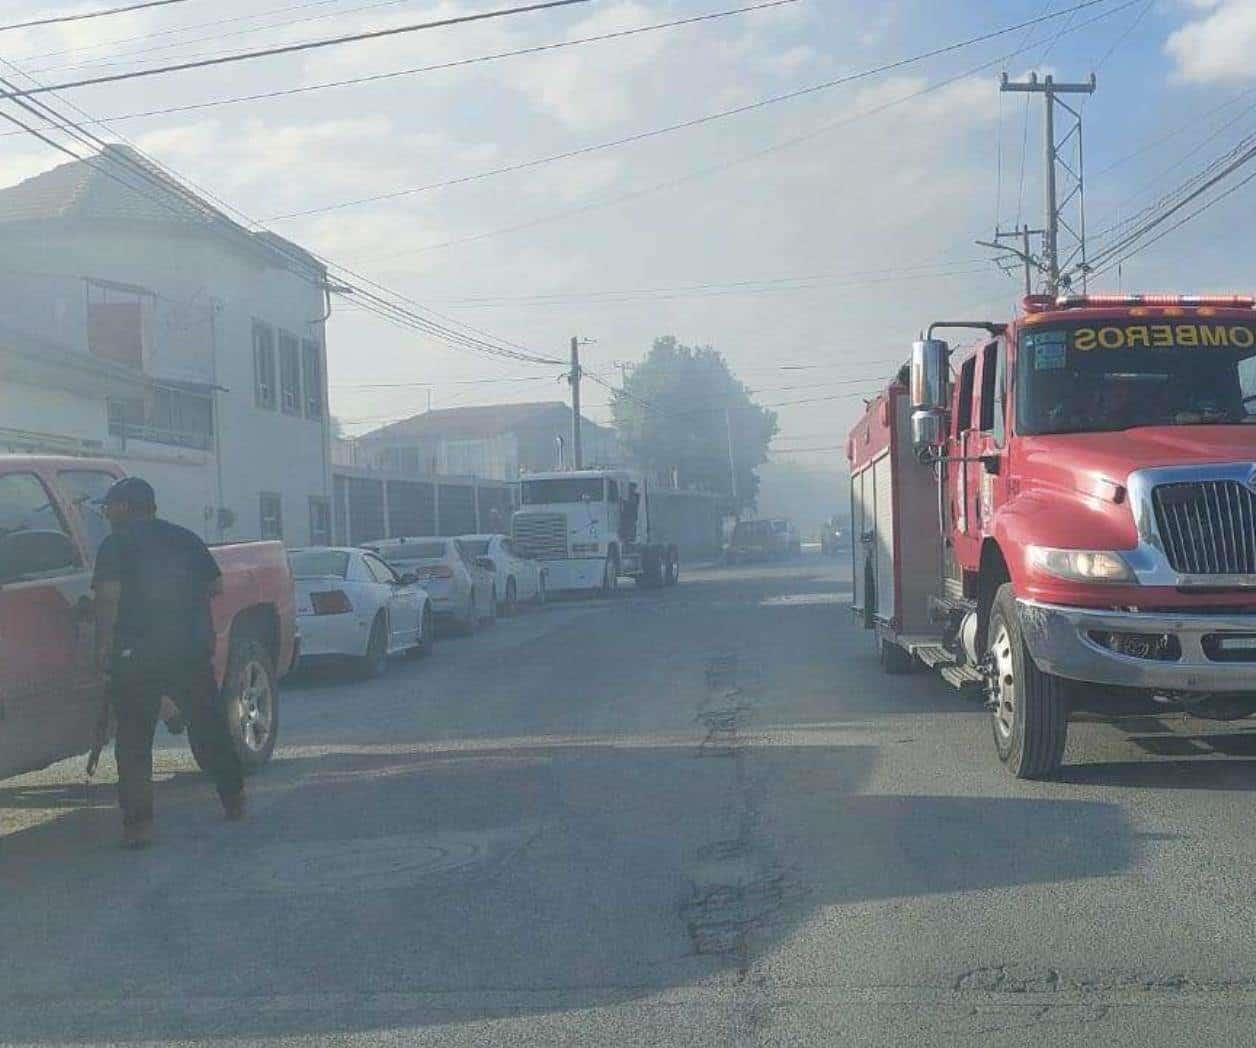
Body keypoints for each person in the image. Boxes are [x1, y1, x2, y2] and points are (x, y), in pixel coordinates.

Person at [92, 477, 245, 849]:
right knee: (209, 726)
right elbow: (215, 586)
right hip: (187, 652)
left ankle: (138, 826)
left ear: (125, 507)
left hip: (136, 656)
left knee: (133, 741)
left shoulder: (115, 544)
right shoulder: (184, 538)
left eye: (109, 506)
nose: (106, 512)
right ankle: (234, 799)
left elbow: (108, 600)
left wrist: (103, 649)